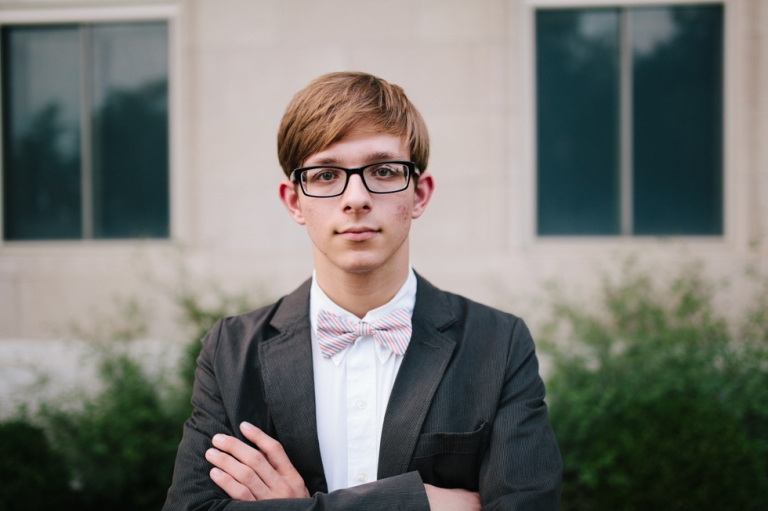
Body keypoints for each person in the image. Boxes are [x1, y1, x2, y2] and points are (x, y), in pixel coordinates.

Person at [163, 72, 561, 511]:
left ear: (419, 195)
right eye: (327, 174)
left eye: (384, 171)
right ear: (295, 201)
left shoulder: (498, 344)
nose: (355, 198)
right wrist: (421, 502)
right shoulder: (230, 351)